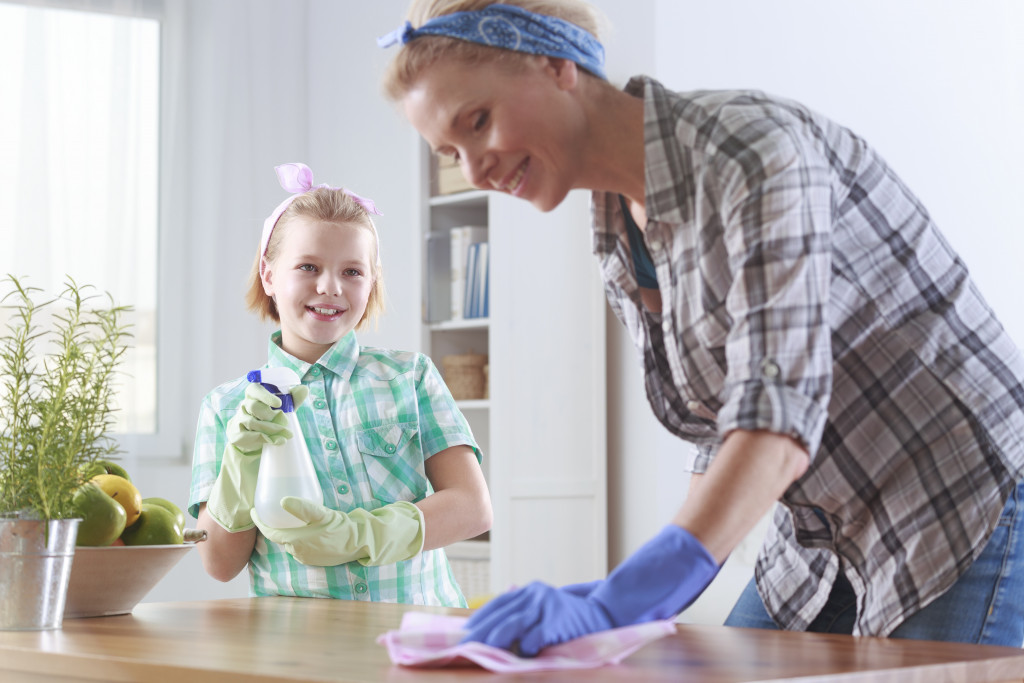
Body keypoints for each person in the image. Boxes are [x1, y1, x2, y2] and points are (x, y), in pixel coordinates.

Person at [377, 0, 1024, 652]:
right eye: (452, 152)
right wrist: (637, 593)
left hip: (964, 499)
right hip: (825, 531)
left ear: (554, 63)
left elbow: (777, 418)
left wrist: (627, 594)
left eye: (478, 121)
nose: (476, 168)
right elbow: (725, 423)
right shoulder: (618, 231)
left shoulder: (751, 156)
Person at [188, 163, 492, 606]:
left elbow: (472, 508)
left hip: (419, 635)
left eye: (352, 272)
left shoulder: (411, 377)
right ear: (269, 275)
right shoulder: (225, 407)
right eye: (308, 266)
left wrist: (358, 536)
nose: (330, 287)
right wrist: (237, 471)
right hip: (298, 652)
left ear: (372, 283)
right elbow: (219, 565)